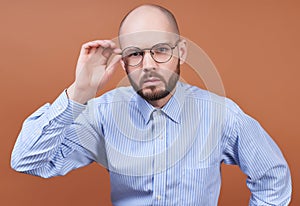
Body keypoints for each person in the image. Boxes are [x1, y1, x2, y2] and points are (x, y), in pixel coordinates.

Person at [11, 4, 291, 206]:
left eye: (160, 50)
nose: (148, 65)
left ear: (180, 52)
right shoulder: (104, 115)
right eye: (135, 54)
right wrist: (80, 91)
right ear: (123, 61)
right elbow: (28, 160)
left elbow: (272, 178)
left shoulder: (221, 115)